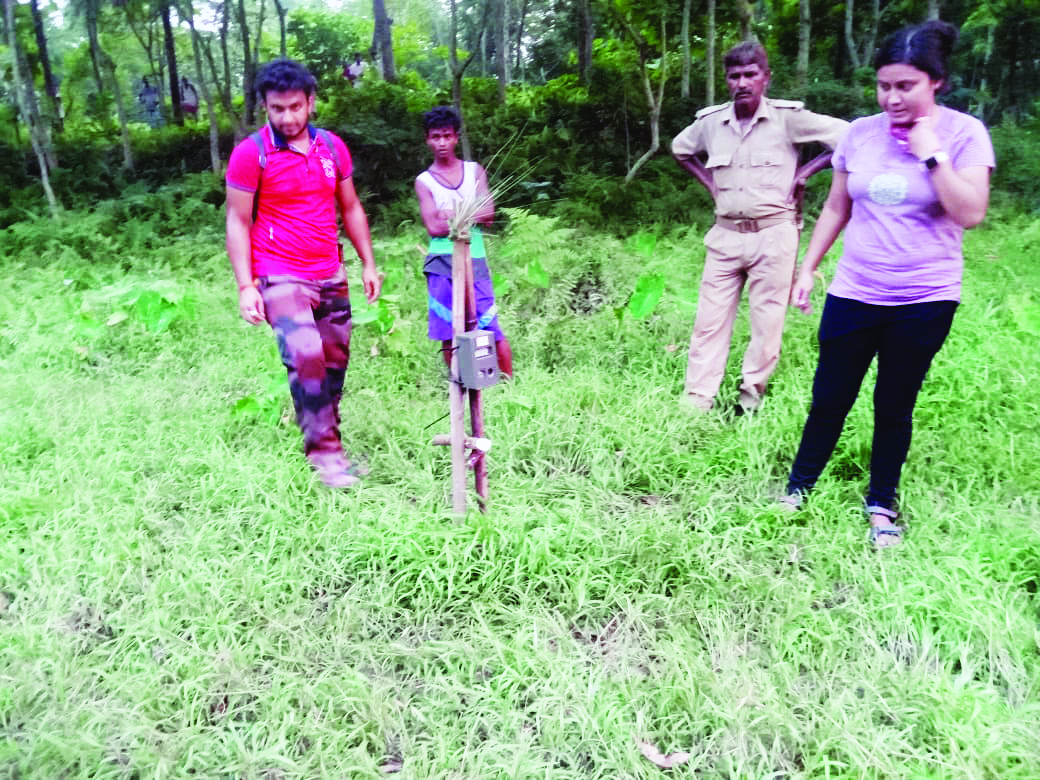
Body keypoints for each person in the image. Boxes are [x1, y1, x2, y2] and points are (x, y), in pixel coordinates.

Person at [781, 21, 993, 547]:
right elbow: (837, 206)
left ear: (935, 82)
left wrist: (930, 150)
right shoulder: (859, 133)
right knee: (829, 397)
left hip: (924, 298)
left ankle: (881, 505)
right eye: (884, 86)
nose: (892, 97)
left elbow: (970, 213)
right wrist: (807, 268)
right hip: (854, 291)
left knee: (893, 405)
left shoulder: (965, 134)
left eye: (906, 86)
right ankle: (796, 490)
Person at [225, 59, 382, 489]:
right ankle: (326, 458)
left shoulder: (332, 148)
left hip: (330, 271)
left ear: (310, 102)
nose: (288, 117)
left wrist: (367, 262)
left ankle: (329, 441)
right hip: (279, 273)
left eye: (296, 107)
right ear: (265, 108)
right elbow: (237, 221)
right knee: (305, 353)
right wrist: (245, 286)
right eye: (278, 109)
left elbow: (349, 207)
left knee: (334, 363)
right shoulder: (250, 154)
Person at [672, 42, 849, 415]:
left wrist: (806, 172)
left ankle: (749, 400)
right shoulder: (711, 123)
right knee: (708, 322)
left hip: (775, 234)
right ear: (726, 80)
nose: (742, 83)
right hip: (725, 235)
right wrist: (708, 182)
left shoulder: (788, 119)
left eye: (751, 74)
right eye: (735, 76)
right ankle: (696, 401)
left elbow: (850, 137)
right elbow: (680, 149)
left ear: (766, 78)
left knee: (766, 324)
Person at [415, 105, 513, 378]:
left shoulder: (474, 171)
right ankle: (464, 381)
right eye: (436, 137)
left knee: (487, 325)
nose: (442, 143)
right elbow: (433, 226)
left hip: (475, 257)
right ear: (427, 139)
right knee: (449, 329)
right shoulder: (424, 181)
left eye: (447, 136)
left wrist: (449, 213)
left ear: (456, 137)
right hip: (440, 262)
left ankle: (502, 382)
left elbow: (489, 213)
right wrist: (468, 212)